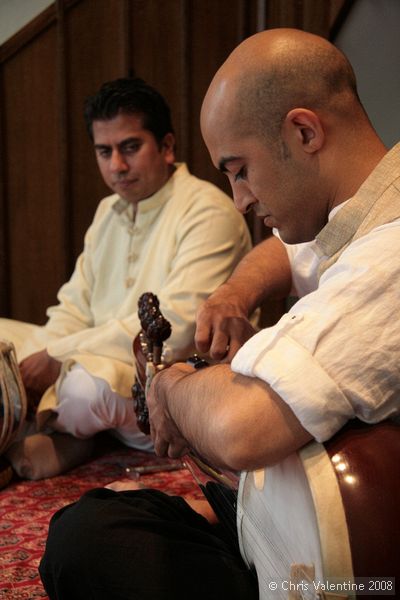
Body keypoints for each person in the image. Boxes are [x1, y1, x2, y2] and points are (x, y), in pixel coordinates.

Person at [39, 29, 400, 599]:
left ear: (304, 132)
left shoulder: (392, 251)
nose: (240, 200)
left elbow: (242, 428)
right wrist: (233, 296)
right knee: (94, 521)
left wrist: (174, 387)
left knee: (86, 545)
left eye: (239, 169)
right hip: (294, 518)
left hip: (348, 575)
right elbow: (287, 252)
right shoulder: (353, 211)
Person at [1, 77, 252, 481]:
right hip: (93, 363)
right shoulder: (108, 212)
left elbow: (178, 329)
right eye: (105, 151)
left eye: (130, 148)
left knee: (86, 390)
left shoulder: (208, 211)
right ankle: (75, 431)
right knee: (5, 344)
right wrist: (33, 362)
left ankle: (68, 431)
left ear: (166, 146)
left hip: (167, 388)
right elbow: (74, 307)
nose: (116, 166)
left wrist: (57, 357)